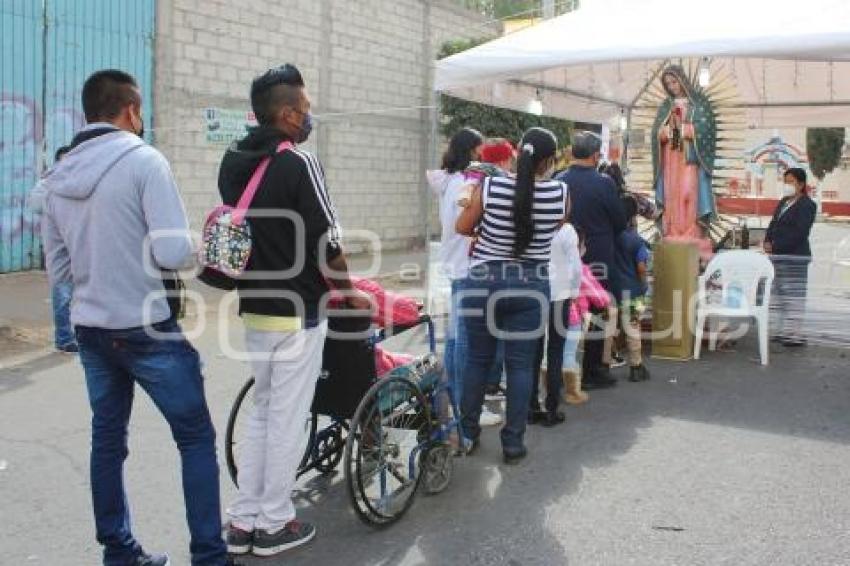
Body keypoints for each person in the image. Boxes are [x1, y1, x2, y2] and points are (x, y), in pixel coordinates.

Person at [41, 70, 231, 566]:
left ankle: (119, 553)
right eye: (140, 111)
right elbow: (170, 251)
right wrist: (200, 242)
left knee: (107, 440)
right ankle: (209, 556)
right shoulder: (144, 161)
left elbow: (59, 271)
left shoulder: (56, 178)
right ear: (129, 110)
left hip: (92, 329)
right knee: (194, 437)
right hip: (146, 327)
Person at [219, 64, 369, 558]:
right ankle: (276, 522)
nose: (309, 116)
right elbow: (329, 246)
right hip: (299, 311)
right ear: (286, 114)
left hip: (255, 310)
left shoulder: (233, 160)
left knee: (264, 413)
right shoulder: (297, 163)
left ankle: (243, 520)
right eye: (304, 108)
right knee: (286, 417)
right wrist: (348, 292)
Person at [456, 127, 567, 464]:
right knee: (520, 367)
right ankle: (513, 444)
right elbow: (555, 226)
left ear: (518, 152)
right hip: (531, 284)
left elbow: (462, 227)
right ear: (548, 161)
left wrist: (484, 233)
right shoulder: (561, 193)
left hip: (484, 279)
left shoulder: (488, 185)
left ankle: (468, 433)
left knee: (478, 359)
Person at [427, 128, 502, 428]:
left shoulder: (448, 181)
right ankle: (465, 407)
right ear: (472, 150)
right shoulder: (468, 183)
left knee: (456, 340)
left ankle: (451, 402)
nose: (482, 154)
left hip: (455, 265)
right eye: (479, 149)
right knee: (467, 342)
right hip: (469, 265)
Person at [556, 131, 626, 389]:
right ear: (596, 155)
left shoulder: (558, 179)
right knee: (598, 311)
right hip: (598, 256)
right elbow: (620, 221)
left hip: (563, 256)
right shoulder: (604, 183)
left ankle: (560, 368)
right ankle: (593, 369)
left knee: (564, 311)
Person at [651, 64, 717, 257]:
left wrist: (687, 130)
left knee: (689, 192)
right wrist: (663, 134)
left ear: (682, 79)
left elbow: (706, 129)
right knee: (672, 195)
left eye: (674, 81)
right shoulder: (666, 106)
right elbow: (656, 132)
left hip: (690, 158)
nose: (672, 86)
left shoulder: (700, 103)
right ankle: (673, 231)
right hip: (671, 160)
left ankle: (692, 232)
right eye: (668, 84)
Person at [530, 220, 581, 426]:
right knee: (555, 351)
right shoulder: (566, 230)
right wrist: (574, 291)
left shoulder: (532, 223)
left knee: (533, 351)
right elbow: (575, 267)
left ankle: (531, 406)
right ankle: (552, 407)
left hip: (534, 293)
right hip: (560, 295)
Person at [29, 145, 77, 353]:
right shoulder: (47, 185)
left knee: (78, 298)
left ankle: (75, 336)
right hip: (60, 251)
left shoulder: (78, 183)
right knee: (63, 295)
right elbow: (36, 205)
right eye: (64, 160)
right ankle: (64, 339)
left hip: (79, 250)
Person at [764, 167, 817, 347]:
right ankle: (781, 331)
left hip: (795, 257)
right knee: (778, 295)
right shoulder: (784, 202)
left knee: (794, 295)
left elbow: (800, 232)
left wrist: (777, 245)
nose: (787, 185)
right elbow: (773, 223)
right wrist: (767, 240)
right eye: (785, 181)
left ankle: (795, 334)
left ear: (801, 184)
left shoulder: (807, 205)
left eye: (791, 182)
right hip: (777, 257)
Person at [614, 195, 651, 382]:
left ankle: (605, 362)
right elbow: (641, 267)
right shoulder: (636, 241)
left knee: (610, 327)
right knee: (633, 327)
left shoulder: (611, 237)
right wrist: (644, 283)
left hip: (613, 291)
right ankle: (636, 366)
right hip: (634, 292)